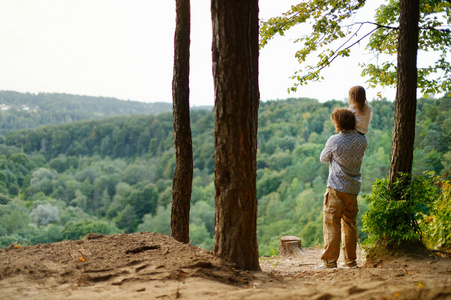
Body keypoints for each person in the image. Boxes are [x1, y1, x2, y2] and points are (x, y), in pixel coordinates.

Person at [318, 108, 367, 269]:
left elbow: (323, 159)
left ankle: (330, 262)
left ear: (338, 123)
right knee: (350, 225)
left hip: (336, 188)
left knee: (332, 224)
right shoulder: (362, 140)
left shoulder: (334, 140)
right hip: (353, 189)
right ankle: (351, 261)